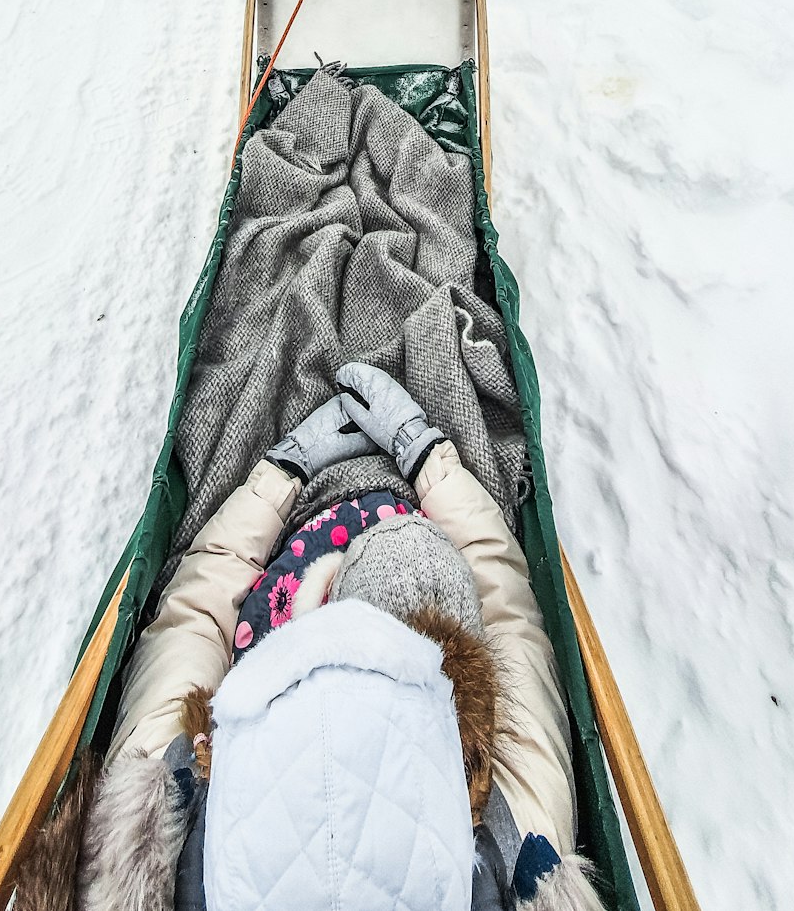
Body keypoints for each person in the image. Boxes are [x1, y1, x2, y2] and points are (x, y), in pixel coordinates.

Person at [77, 366, 604, 911]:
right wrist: (427, 458)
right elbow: (513, 625)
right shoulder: (526, 869)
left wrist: (283, 470)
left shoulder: (149, 843)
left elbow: (192, 620)